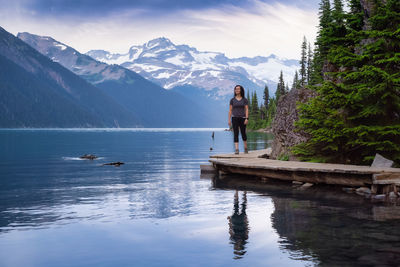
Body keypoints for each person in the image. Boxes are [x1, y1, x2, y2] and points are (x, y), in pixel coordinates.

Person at [228, 85, 249, 154]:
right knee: (235, 133)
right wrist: (229, 120)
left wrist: (247, 118)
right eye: (235, 89)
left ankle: (245, 148)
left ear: (241, 90)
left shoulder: (244, 100)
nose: (236, 90)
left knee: (243, 133)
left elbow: (246, 109)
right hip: (234, 118)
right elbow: (230, 110)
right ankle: (237, 149)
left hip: (243, 118)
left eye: (238, 89)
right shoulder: (232, 100)